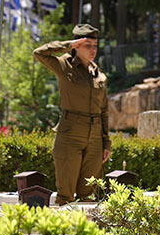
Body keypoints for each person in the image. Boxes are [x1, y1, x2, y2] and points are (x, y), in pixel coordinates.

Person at [33, 24, 112, 205]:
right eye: (87, 45)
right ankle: (64, 232)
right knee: (66, 195)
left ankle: (87, 231)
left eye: (95, 45)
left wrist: (106, 141)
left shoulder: (99, 75)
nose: (93, 50)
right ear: (77, 46)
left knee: (89, 193)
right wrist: (68, 44)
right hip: (70, 134)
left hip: (95, 138)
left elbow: (104, 110)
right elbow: (39, 53)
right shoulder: (63, 66)